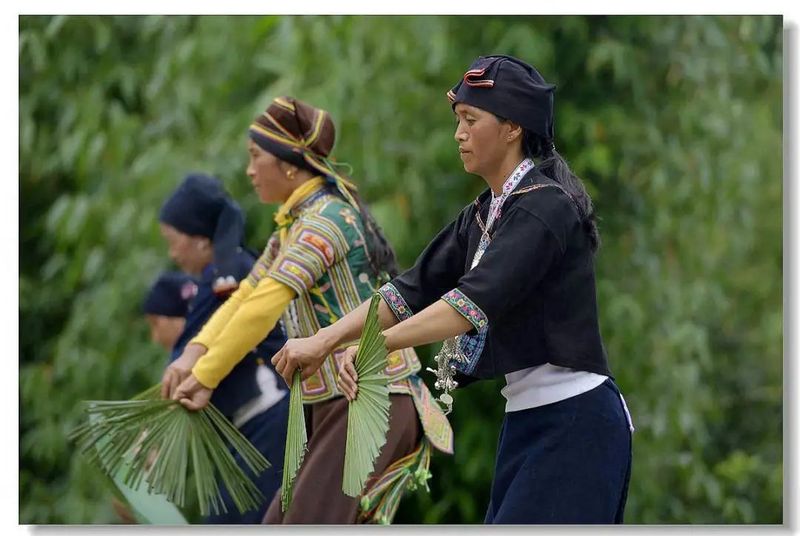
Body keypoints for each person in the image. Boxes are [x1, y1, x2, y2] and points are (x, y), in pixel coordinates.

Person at [271, 55, 634, 524]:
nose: (459, 134)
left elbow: (466, 308)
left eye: (470, 120)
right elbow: (406, 293)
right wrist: (323, 342)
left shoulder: (546, 210)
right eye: (457, 121)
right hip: (528, 419)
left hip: (576, 423)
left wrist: (368, 348)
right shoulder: (484, 214)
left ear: (512, 129)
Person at [163, 96, 453, 524]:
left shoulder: (325, 221)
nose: (248, 170)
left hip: (372, 397)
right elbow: (246, 295)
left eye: (255, 157)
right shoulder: (293, 225)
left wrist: (206, 376)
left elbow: (263, 307)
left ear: (289, 164)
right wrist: (193, 355)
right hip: (333, 404)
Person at [157, 173, 289, 524]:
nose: (171, 253)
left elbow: (187, 359)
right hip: (252, 426)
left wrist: (151, 439)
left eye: (173, 241)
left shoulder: (227, 276)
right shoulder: (228, 271)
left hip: (271, 416)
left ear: (202, 241)